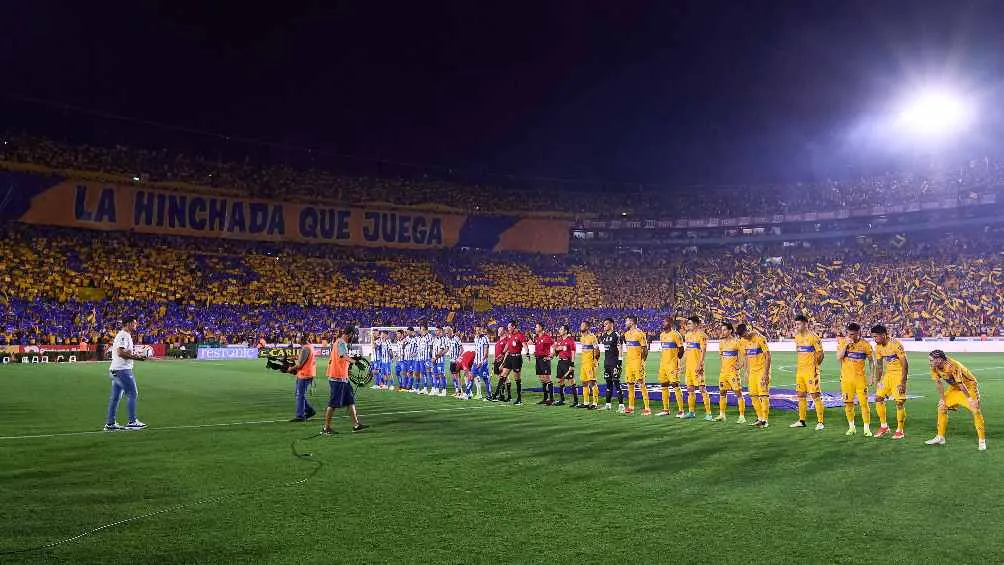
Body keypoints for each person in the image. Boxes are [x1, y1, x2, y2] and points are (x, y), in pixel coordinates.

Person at [925, 350, 987, 450]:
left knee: (975, 410)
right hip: (955, 387)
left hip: (969, 387)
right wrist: (942, 399)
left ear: (939, 360)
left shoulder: (952, 366)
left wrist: (970, 399)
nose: (929, 362)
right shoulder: (934, 367)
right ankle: (940, 437)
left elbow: (961, 384)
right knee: (942, 407)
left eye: (931, 360)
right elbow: (938, 383)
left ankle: (982, 441)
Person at [104, 316, 148, 431]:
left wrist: (133, 355)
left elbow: (124, 352)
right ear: (128, 324)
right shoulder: (124, 335)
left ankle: (110, 423)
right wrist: (136, 357)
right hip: (122, 370)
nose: (136, 325)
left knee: (115, 397)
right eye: (134, 323)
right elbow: (120, 352)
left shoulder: (124, 335)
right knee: (132, 393)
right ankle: (132, 421)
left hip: (115, 370)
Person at [321, 327, 368, 435]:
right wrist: (355, 362)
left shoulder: (339, 342)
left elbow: (343, 356)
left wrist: (354, 358)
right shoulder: (341, 342)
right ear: (350, 334)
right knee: (333, 404)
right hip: (337, 378)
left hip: (343, 378)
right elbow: (343, 355)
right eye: (353, 335)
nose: (353, 337)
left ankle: (356, 424)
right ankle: (326, 428)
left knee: (350, 401)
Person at [871, 324, 908, 439]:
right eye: (873, 337)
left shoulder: (896, 344)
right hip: (888, 376)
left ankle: (900, 430)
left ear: (883, 335)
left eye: (876, 336)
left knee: (899, 402)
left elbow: (905, 364)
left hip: (899, 376)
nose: (874, 339)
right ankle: (884, 426)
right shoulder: (878, 347)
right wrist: (878, 381)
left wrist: (903, 382)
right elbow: (879, 365)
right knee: (878, 398)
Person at [838, 323, 874, 436]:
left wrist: (871, 376)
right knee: (848, 404)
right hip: (846, 380)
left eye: (853, 334)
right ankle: (851, 427)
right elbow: (839, 357)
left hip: (860, 380)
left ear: (859, 333)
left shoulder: (865, 345)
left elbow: (871, 362)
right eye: (849, 334)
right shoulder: (843, 342)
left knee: (864, 404)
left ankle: (866, 429)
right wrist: (845, 346)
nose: (850, 336)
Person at [791, 315, 825, 430]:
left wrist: (815, 367)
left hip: (811, 372)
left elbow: (821, 354)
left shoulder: (813, 337)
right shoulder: (797, 337)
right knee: (800, 395)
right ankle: (801, 420)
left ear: (805, 324)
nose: (796, 326)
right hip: (800, 371)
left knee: (815, 395)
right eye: (795, 324)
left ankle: (820, 422)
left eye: (798, 324)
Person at [738, 323, 771, 427]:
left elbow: (768, 356)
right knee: (753, 395)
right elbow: (746, 357)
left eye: (745, 335)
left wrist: (766, 373)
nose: (745, 337)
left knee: (763, 395)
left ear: (748, 330)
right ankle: (760, 418)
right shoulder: (742, 341)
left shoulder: (760, 338)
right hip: (752, 372)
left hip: (762, 371)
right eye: (742, 336)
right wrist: (746, 372)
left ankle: (765, 420)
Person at [715, 322, 746, 423]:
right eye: (722, 330)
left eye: (724, 330)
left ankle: (742, 416)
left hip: (733, 373)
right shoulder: (721, 343)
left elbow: (744, 354)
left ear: (730, 331)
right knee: (722, 392)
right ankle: (722, 415)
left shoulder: (736, 342)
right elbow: (720, 355)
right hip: (723, 372)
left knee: (738, 393)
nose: (722, 332)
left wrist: (740, 365)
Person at [682, 316, 710, 419]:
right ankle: (691, 412)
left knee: (702, 388)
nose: (688, 325)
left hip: (697, 367)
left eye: (690, 323)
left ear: (696, 324)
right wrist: (682, 364)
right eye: (687, 324)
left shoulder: (702, 335)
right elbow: (687, 350)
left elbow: (703, 351)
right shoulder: (687, 335)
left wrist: (699, 364)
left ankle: (708, 413)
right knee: (690, 389)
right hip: (689, 367)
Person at [657, 319, 685, 417]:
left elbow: (681, 349)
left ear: (670, 323)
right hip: (663, 365)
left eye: (665, 322)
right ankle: (666, 410)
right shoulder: (661, 335)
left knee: (675, 385)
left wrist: (677, 361)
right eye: (663, 322)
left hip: (672, 365)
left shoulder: (676, 335)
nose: (663, 323)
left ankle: (681, 410)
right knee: (664, 385)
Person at [622, 316, 650, 415]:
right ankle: (631, 407)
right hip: (629, 363)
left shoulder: (640, 333)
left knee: (641, 383)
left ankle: (647, 408)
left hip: (637, 363)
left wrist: (642, 361)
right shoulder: (626, 334)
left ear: (632, 322)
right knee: (630, 383)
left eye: (626, 321)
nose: (625, 323)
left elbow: (645, 349)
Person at [598, 318, 625, 411]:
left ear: (611, 324)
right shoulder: (604, 336)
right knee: (608, 384)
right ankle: (608, 404)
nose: (604, 326)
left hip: (614, 363)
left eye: (606, 324)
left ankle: (621, 406)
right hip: (607, 363)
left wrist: (620, 361)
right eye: (604, 324)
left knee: (616, 383)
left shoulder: (616, 335)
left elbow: (620, 347)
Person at [288, 341, 318, 422]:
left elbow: (300, 364)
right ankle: (310, 411)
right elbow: (306, 358)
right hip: (307, 373)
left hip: (305, 374)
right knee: (299, 395)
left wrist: (291, 368)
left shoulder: (305, 348)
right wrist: (296, 357)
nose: (296, 339)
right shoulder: (310, 346)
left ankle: (300, 416)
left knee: (300, 395)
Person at [500, 320, 527, 405]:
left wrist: (527, 352)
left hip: (516, 358)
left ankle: (519, 398)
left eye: (509, 327)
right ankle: (501, 395)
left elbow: (524, 344)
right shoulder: (510, 334)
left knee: (517, 378)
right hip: (509, 357)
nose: (508, 329)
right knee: (503, 375)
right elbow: (508, 344)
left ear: (514, 327)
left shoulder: (520, 335)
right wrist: (503, 353)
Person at [577, 321, 600, 409]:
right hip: (583, 363)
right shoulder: (582, 337)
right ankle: (586, 402)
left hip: (590, 363)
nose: (580, 327)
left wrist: (595, 361)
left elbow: (597, 350)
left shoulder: (592, 337)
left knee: (592, 382)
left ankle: (595, 403)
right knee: (584, 383)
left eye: (582, 325)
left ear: (587, 327)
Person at [553, 324, 577, 406]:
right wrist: (555, 349)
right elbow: (556, 354)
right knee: (561, 381)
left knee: (571, 381)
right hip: (560, 362)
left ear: (565, 331)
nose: (559, 330)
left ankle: (576, 401)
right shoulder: (559, 341)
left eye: (561, 329)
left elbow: (573, 353)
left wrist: (572, 364)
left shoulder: (570, 340)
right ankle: (562, 400)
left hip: (567, 362)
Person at [532, 323, 555, 405]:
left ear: (541, 328)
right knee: (542, 379)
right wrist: (535, 353)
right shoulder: (537, 337)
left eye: (536, 327)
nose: (535, 328)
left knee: (547, 379)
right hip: (538, 359)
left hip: (544, 360)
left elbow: (554, 345)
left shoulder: (546, 337)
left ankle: (551, 399)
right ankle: (545, 398)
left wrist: (551, 356)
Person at [445, 326, 464, 398]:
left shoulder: (456, 338)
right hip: (451, 360)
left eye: (447, 333)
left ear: (451, 332)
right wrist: (440, 354)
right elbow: (447, 349)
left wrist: (458, 358)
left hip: (456, 361)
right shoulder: (448, 340)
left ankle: (460, 391)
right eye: (446, 333)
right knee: (453, 376)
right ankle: (457, 391)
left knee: (458, 376)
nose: (446, 334)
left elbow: (462, 349)